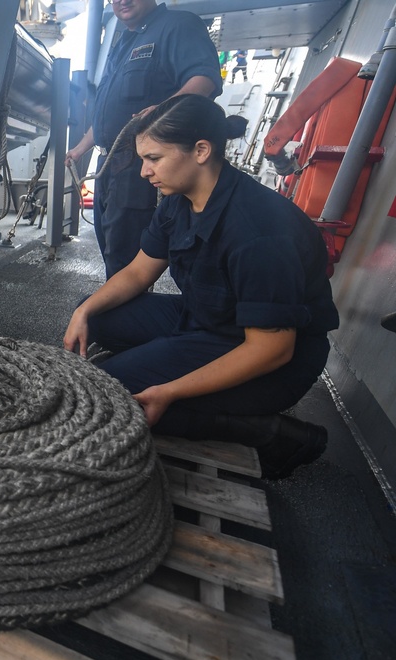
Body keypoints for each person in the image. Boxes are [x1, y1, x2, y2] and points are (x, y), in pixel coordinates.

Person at [63, 94, 339, 480]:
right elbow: (139, 272)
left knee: (116, 391)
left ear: (201, 150)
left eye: (153, 158)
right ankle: (164, 364)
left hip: (270, 356)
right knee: (97, 314)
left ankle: (281, 436)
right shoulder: (179, 201)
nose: (144, 172)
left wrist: (171, 390)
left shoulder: (258, 232)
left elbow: (273, 348)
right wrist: (84, 311)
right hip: (206, 317)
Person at [65, 0, 223, 279]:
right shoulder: (122, 44)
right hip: (109, 164)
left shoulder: (178, 26)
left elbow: (205, 78)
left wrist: (161, 112)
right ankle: (120, 314)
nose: (122, 1)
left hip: (139, 166)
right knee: (110, 249)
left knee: (127, 258)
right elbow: (107, 115)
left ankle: (124, 318)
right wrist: (79, 149)